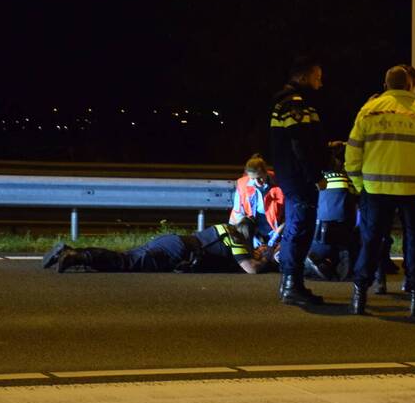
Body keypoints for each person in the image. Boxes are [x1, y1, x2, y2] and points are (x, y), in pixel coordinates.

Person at [346, 65, 415, 317]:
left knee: (371, 241)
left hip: (376, 190)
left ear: (385, 85)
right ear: (408, 85)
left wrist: (359, 184)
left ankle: (359, 297)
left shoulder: (368, 111)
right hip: (412, 191)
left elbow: (353, 152)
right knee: (414, 244)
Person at [270, 58, 332, 305]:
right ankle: (291, 286)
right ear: (303, 77)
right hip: (299, 178)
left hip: (293, 176)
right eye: (317, 78)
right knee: (300, 229)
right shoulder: (295, 103)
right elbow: (300, 143)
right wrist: (315, 175)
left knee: (297, 227)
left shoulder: (289, 102)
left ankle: (290, 283)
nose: (320, 83)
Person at [41, 218, 264, 274]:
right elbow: (250, 269)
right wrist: (264, 259)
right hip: (178, 251)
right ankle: (75, 257)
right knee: (125, 262)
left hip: (172, 241)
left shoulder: (224, 228)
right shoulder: (236, 239)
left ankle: (70, 251)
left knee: (124, 256)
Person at [305, 142, 359, 281]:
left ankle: (319, 262)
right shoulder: (347, 179)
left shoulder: (317, 179)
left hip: (319, 233)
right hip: (342, 231)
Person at [228, 153, 285, 248]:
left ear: (266, 172)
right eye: (252, 179)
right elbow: (238, 213)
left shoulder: (280, 183)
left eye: (260, 178)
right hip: (252, 230)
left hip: (276, 230)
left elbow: (288, 215)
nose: (257, 182)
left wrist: (276, 235)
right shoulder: (242, 184)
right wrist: (251, 236)